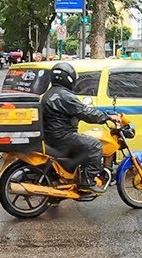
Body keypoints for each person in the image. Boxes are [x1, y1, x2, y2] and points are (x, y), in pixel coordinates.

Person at [42, 62, 118, 194]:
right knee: (95, 145)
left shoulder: (49, 94)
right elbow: (86, 113)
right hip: (62, 136)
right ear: (69, 79)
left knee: (84, 145)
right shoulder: (65, 96)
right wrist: (107, 117)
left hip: (52, 136)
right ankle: (88, 181)